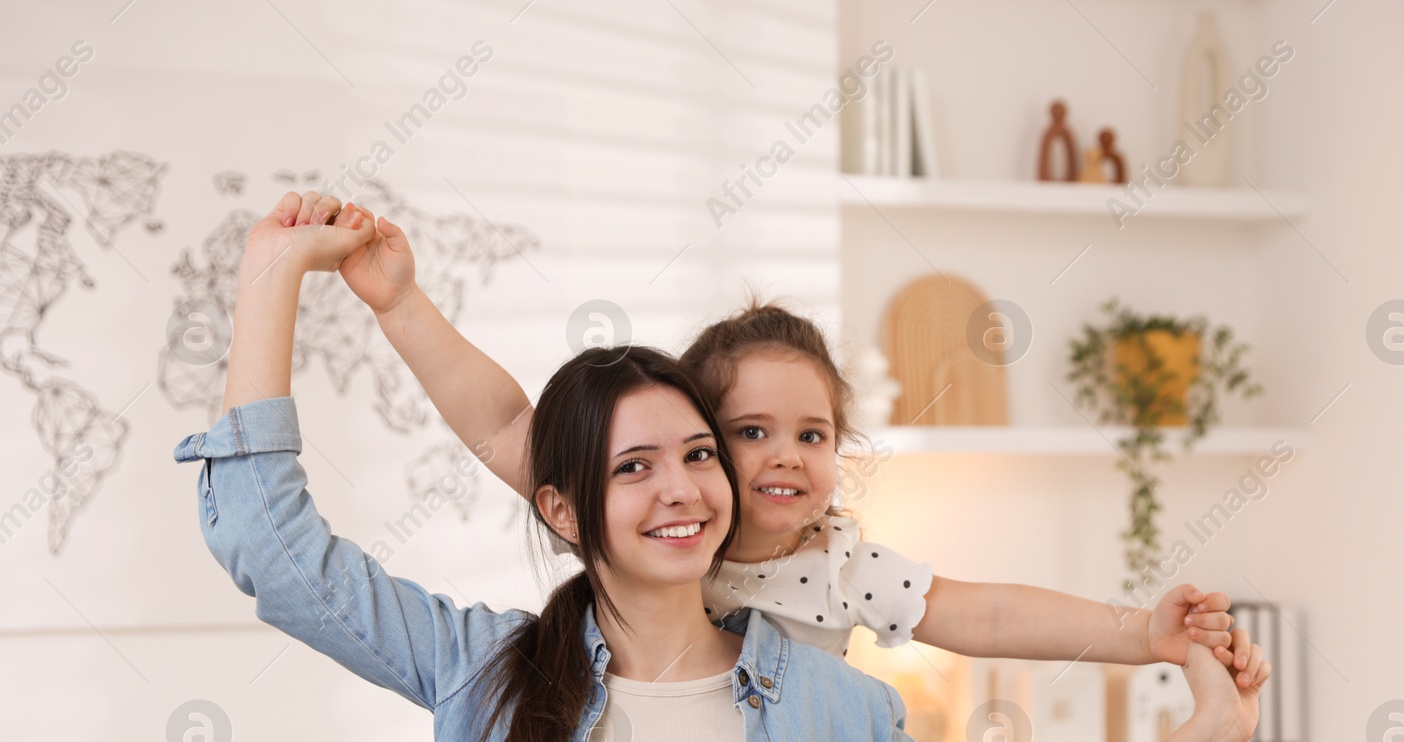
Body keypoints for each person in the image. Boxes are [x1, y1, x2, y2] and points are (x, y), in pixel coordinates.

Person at [174, 191, 1271, 742]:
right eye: (635, 465)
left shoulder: (838, 709)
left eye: (700, 452)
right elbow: (285, 552)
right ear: (561, 507)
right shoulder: (488, 675)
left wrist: (1201, 733)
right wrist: (278, 274)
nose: (684, 487)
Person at [328, 202, 1262, 685]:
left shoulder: (841, 563)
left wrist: (1143, 633)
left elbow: (987, 616)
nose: (785, 456)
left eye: (812, 434)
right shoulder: (650, 525)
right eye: (746, 434)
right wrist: (401, 302)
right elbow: (500, 422)